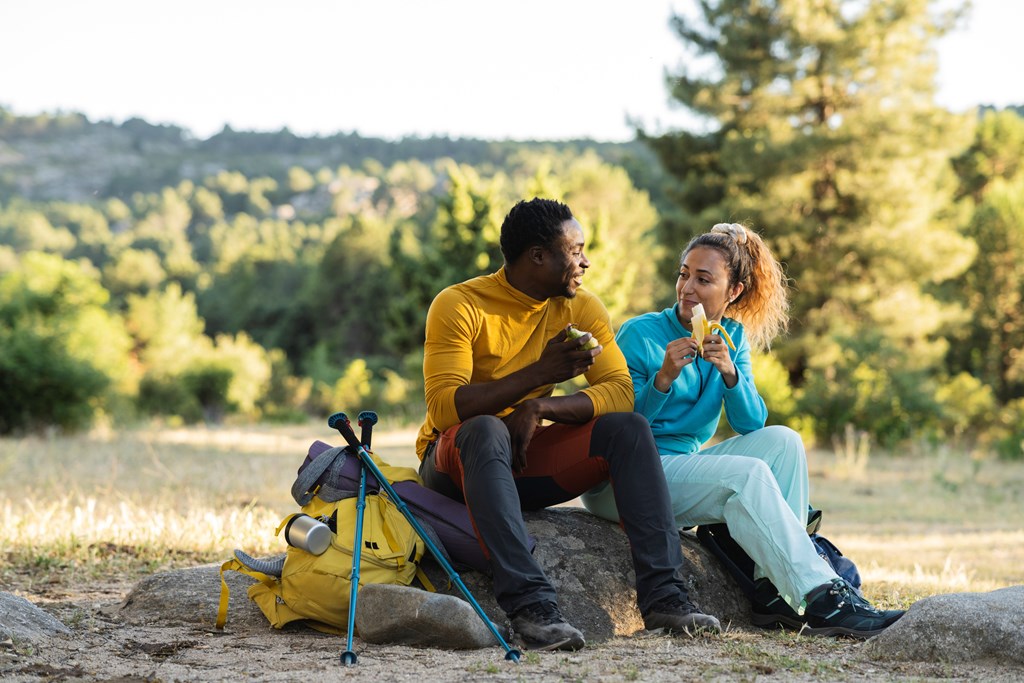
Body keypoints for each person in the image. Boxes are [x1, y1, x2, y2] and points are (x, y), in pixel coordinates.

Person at [415, 198, 721, 651]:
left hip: (525, 460)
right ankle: (533, 608)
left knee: (629, 429)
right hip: (456, 464)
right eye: (575, 250)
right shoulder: (460, 304)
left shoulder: (580, 307)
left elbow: (619, 391)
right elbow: (444, 408)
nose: (586, 261)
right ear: (539, 256)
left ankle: (665, 599)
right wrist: (539, 375)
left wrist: (541, 409)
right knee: (485, 428)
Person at [581, 222, 905, 638]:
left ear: (733, 291)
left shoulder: (731, 335)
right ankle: (823, 597)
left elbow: (751, 423)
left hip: (681, 466)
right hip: (624, 478)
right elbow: (619, 424)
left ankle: (773, 594)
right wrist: (662, 379)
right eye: (684, 274)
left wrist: (730, 373)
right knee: (744, 475)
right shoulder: (641, 333)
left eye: (703, 279)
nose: (687, 289)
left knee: (784, 441)